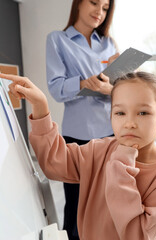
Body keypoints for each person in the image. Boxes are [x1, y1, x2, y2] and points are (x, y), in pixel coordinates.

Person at [0, 71, 156, 240]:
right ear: (110, 117)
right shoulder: (99, 149)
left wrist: (122, 160)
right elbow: (54, 162)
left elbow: (135, 235)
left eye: (143, 113)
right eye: (120, 112)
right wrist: (40, 107)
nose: (129, 123)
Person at [45, 0, 118, 238]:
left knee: (109, 201)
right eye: (94, 2)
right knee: (76, 205)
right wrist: (83, 83)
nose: (99, 11)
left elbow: (119, 88)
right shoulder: (58, 40)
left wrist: (111, 89)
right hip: (78, 137)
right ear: (78, 3)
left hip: (111, 134)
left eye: (105, 8)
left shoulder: (109, 44)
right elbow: (55, 89)